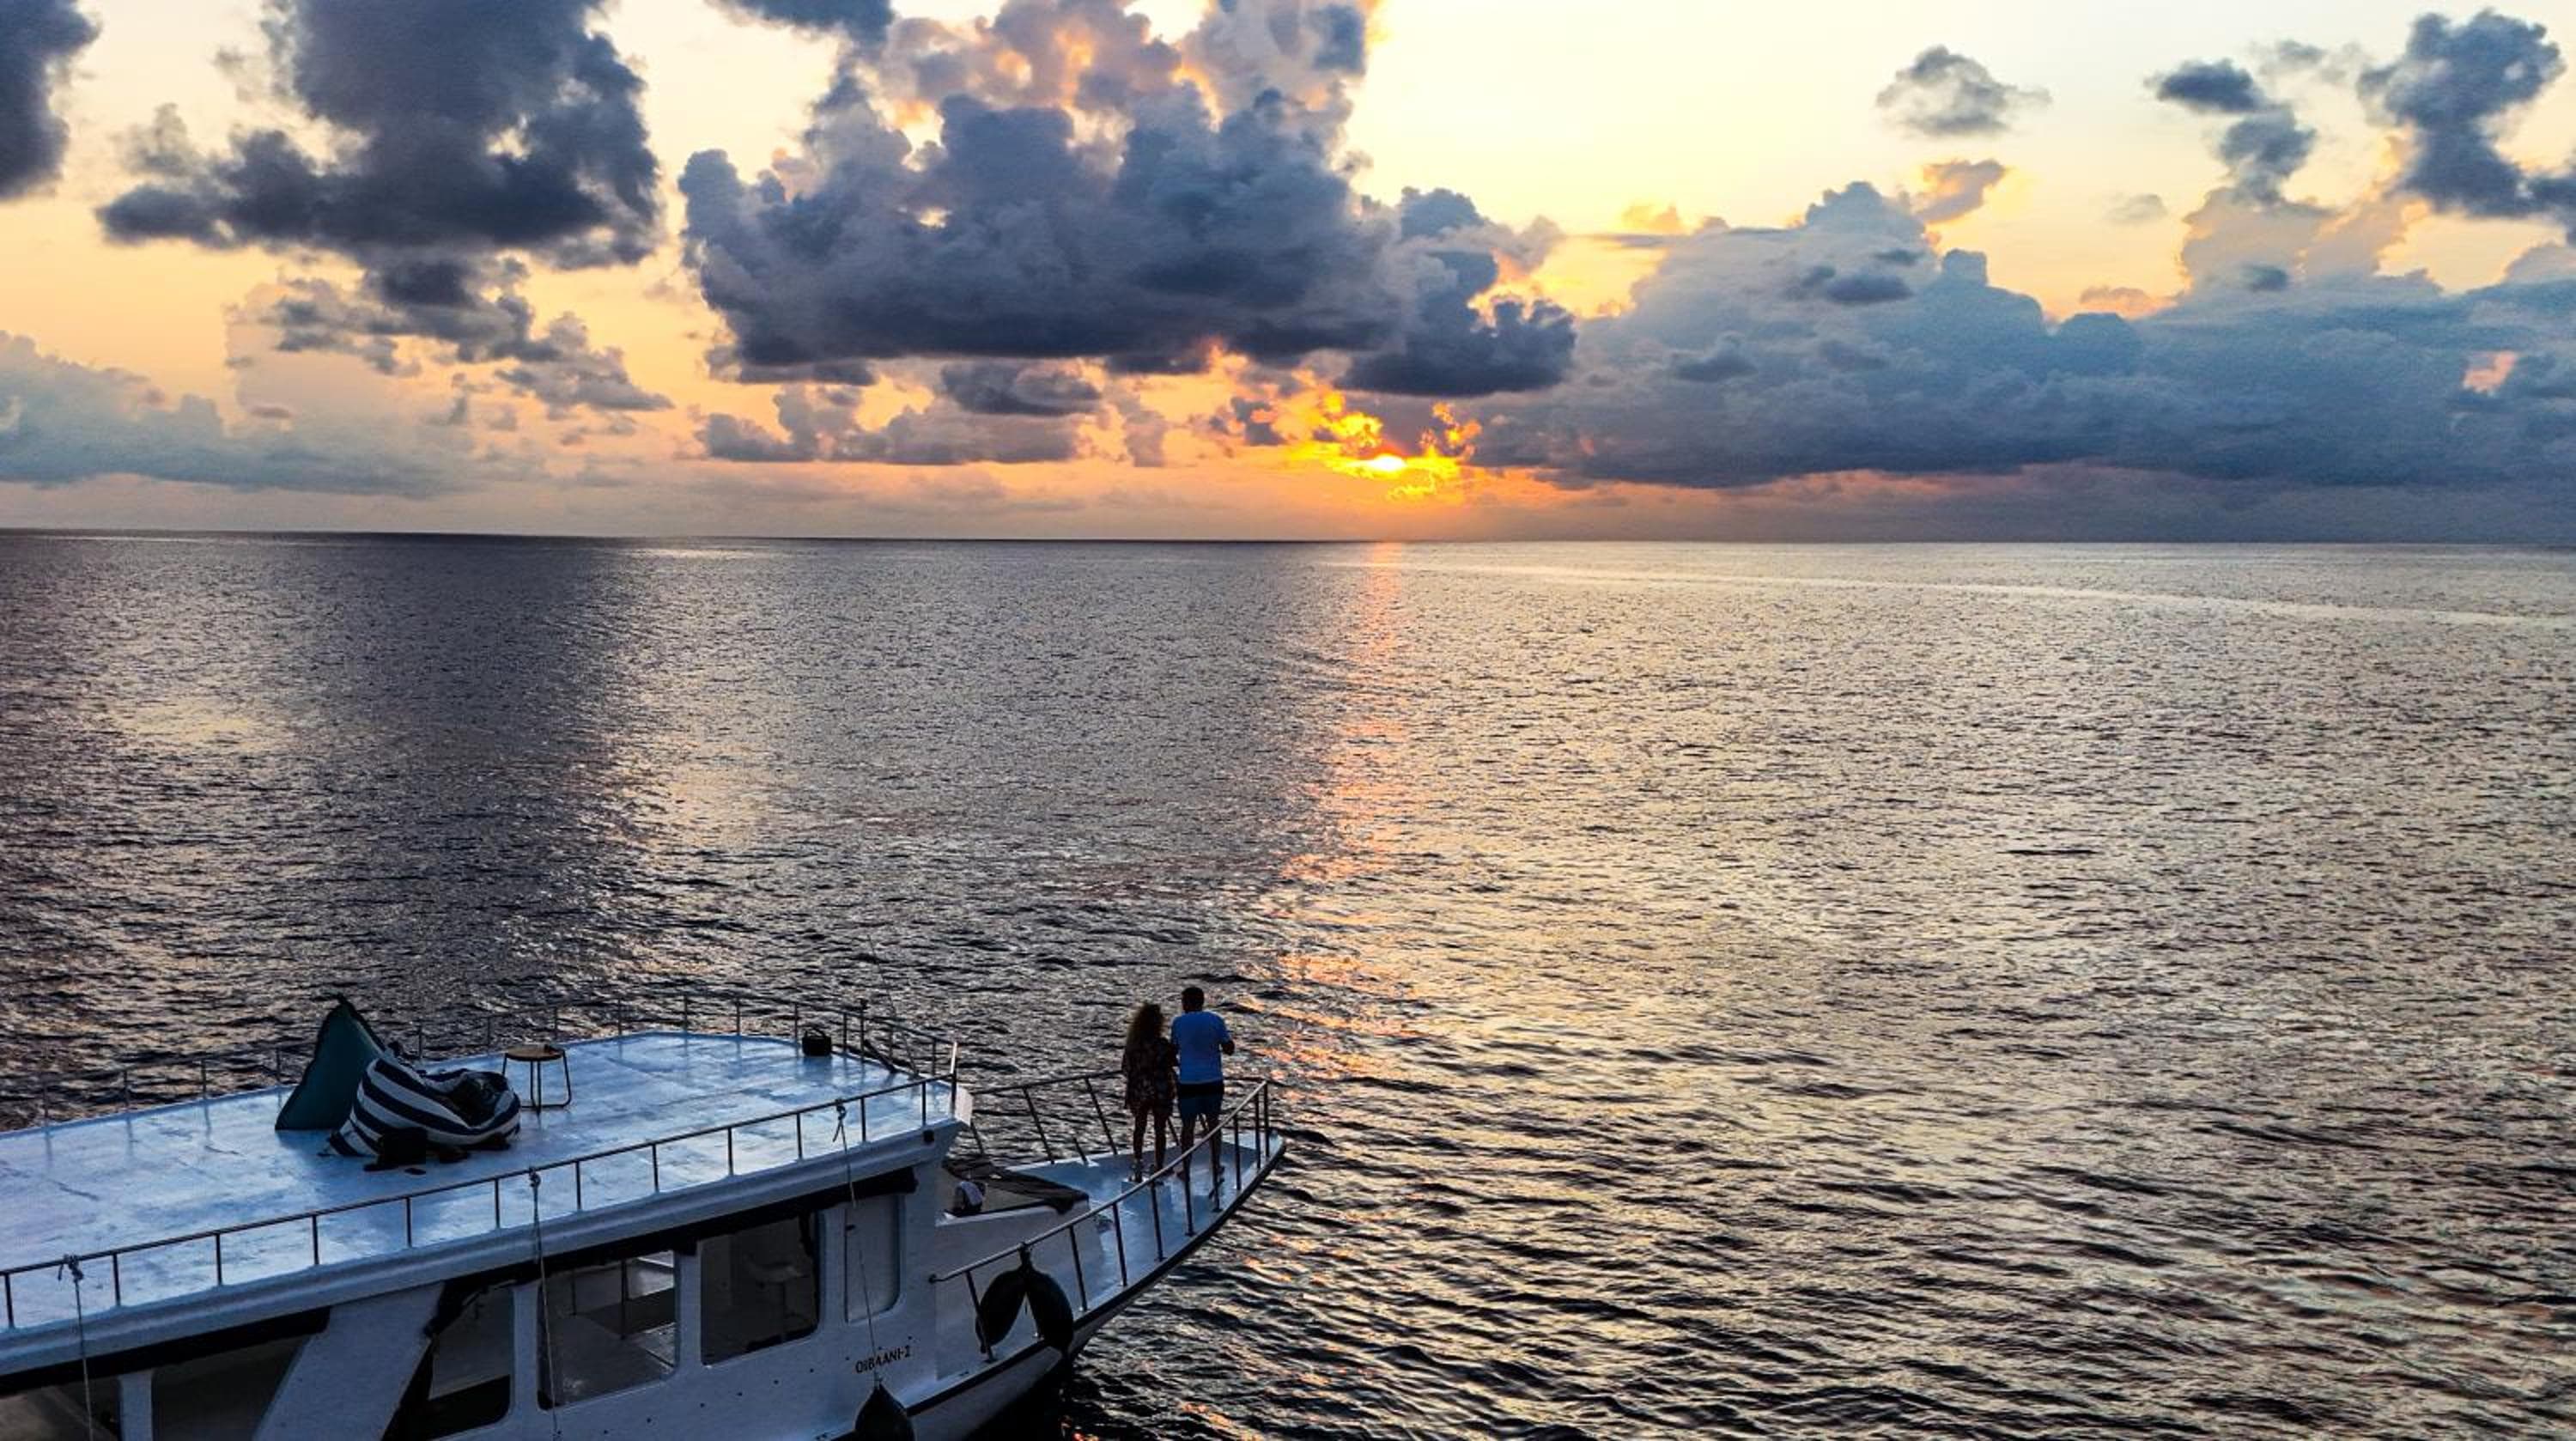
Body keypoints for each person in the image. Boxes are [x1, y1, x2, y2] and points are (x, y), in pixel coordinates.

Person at [1170, 986, 1235, 1194]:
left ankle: (1186, 1169)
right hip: (1213, 1080)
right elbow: (1229, 1049)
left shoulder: (1178, 1023)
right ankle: (1215, 1165)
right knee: (1213, 1123)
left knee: (1188, 1127)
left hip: (1188, 1081)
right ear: (1202, 1001)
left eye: (1182, 1000)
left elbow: (1173, 1051)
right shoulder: (1216, 1020)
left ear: (1187, 1002)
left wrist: (1183, 1064)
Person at [1121, 1001, 1178, 1182]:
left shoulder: (1133, 1045)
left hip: (1139, 1089)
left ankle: (1138, 1161)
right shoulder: (1162, 1044)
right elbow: (1172, 1063)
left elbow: (1126, 1069)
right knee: (1160, 1128)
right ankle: (1159, 1166)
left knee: (1139, 1126)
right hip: (1160, 1089)